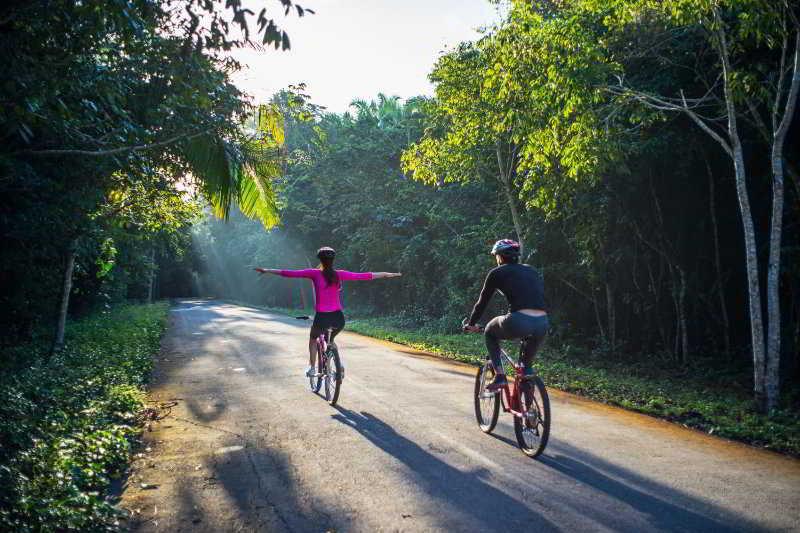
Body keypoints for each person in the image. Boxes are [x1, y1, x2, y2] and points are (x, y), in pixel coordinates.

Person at [255, 246, 401, 377]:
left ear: (320, 259)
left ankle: (312, 368)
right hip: (338, 318)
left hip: (322, 318)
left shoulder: (314, 273)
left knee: (313, 339)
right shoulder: (340, 274)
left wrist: (267, 270)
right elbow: (366, 275)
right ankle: (338, 363)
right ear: (333, 260)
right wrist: (388, 274)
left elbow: (289, 273)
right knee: (331, 341)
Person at [463, 239, 548, 391]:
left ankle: (500, 376)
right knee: (525, 369)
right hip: (542, 323)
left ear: (500, 257)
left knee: (489, 331)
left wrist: (471, 323)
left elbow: (482, 302)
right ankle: (528, 410)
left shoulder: (497, 272)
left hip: (519, 320)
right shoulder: (532, 270)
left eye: (496, 256)